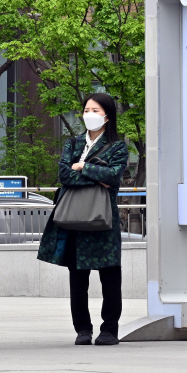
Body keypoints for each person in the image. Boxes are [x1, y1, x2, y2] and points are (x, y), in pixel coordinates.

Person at [36, 93, 129, 346]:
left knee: (110, 276)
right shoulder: (73, 143)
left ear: (107, 116)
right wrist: (95, 176)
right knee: (78, 277)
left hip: (103, 219)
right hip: (75, 219)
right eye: (87, 110)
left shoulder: (118, 147)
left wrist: (82, 167)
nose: (89, 114)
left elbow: (113, 176)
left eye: (95, 110)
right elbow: (64, 174)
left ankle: (109, 330)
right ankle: (83, 329)